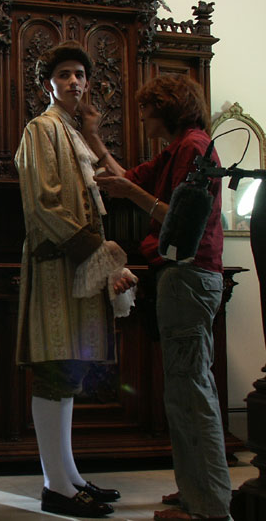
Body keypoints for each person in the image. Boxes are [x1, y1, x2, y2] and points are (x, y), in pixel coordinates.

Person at [92, 74, 231, 521]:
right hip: (182, 277)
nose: (143, 116)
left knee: (191, 391)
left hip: (189, 276)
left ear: (167, 107)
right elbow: (122, 177)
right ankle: (195, 490)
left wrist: (132, 193)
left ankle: (209, 505)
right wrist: (93, 134)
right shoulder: (176, 150)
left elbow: (181, 221)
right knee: (184, 389)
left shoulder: (194, 148)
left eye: (148, 108)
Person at [15, 40, 137, 518]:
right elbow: (43, 204)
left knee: (67, 372)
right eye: (63, 74)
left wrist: (94, 133)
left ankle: (68, 476)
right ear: (49, 83)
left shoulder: (73, 132)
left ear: (87, 83)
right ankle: (55, 486)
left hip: (77, 269)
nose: (72, 82)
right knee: (52, 369)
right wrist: (101, 257)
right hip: (55, 267)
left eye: (79, 75)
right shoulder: (40, 128)